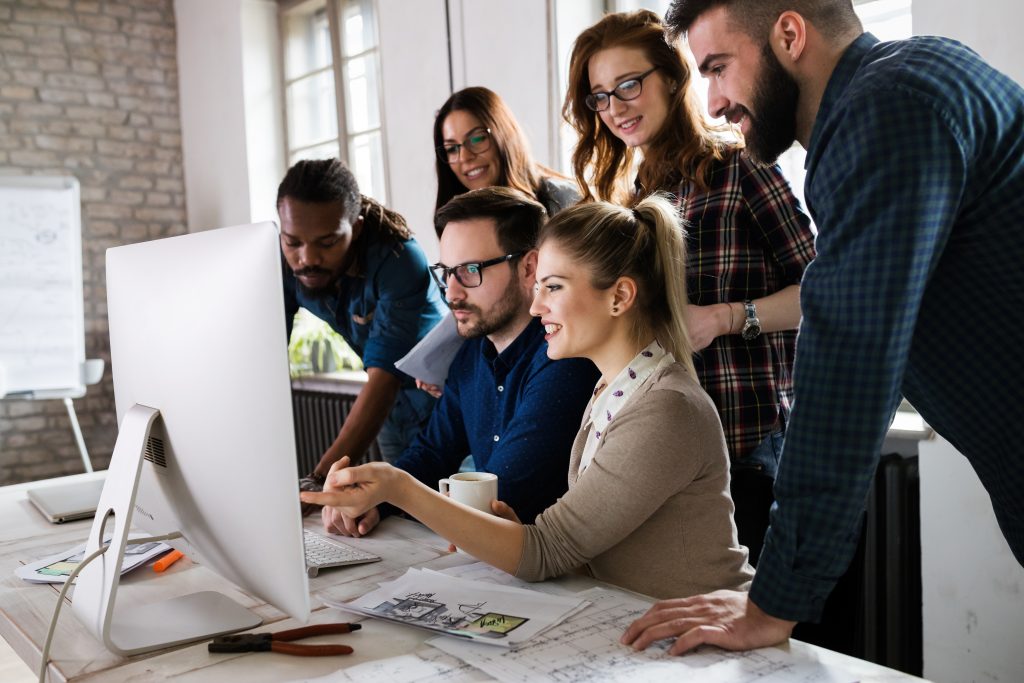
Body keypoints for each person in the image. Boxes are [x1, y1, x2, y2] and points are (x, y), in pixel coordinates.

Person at [621, 0, 1024, 655]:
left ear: (788, 33)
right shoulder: (911, 81)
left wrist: (772, 600)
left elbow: (847, 365)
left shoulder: (884, 111)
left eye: (719, 68)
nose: (715, 102)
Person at [303, 195, 755, 600]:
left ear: (619, 297)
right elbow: (586, 548)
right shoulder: (611, 390)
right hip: (636, 622)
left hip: (711, 642)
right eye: (539, 287)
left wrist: (397, 487)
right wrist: (512, 532)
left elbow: (547, 550)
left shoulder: (664, 408)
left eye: (553, 287)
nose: (537, 306)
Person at [564, 10, 816, 564]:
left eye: (629, 84)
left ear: (673, 78)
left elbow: (824, 289)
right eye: (600, 96)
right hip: (656, 450)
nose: (615, 107)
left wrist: (726, 317)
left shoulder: (740, 167)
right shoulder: (625, 200)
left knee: (751, 634)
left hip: (748, 448)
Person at [318, 187, 599, 535]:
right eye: (446, 272)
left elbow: (502, 495)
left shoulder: (563, 358)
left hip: (556, 575)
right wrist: (373, 498)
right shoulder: (470, 354)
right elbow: (432, 453)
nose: (451, 292)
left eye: (469, 270)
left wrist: (392, 488)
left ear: (530, 268)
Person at [278, 158, 445, 486]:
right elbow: (264, 359)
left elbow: (383, 379)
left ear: (355, 229)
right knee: (401, 516)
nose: (307, 258)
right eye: (293, 242)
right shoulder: (285, 262)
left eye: (327, 242)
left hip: (445, 406)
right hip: (390, 413)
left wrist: (319, 478)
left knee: (458, 521)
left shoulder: (399, 260)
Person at [434, 86, 580, 232]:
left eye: (477, 139)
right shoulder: (456, 225)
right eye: (452, 149)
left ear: (504, 134)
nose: (465, 157)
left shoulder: (564, 200)